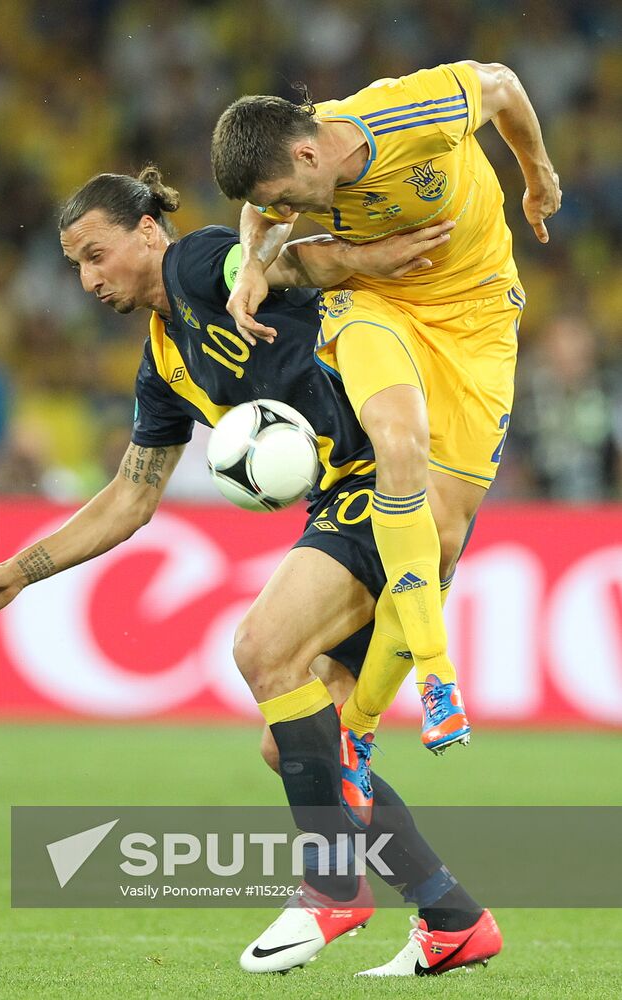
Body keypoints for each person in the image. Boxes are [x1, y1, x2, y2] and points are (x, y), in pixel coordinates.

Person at [0, 168, 501, 975]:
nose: (89, 279)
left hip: (386, 482)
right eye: (76, 266)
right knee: (306, 747)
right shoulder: (163, 364)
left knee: (261, 648)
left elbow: (293, 262)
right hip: (341, 502)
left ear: (146, 232)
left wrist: (374, 256)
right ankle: (452, 918)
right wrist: (20, 570)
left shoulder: (202, 263)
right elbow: (130, 499)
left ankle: (331, 888)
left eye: (97, 255)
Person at [211, 60, 561, 756]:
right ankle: (438, 673)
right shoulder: (289, 179)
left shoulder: (410, 113)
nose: (287, 211)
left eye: (289, 195)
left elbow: (506, 84)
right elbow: (262, 210)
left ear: (309, 153)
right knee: (398, 441)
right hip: (376, 303)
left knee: (446, 532)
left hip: (475, 314)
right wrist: (253, 260)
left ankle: (362, 729)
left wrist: (537, 174)